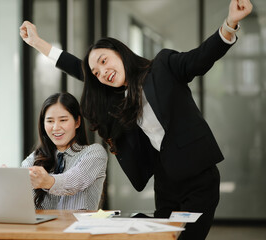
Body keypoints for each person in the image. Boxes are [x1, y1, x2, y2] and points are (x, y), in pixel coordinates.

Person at [19, 0, 252, 239]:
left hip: (199, 177)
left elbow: (200, 58)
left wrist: (230, 23)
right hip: (166, 182)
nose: (102, 72)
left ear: (120, 52)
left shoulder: (163, 67)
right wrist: (37, 43)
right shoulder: (119, 98)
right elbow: (77, 67)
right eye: (97, 73)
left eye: (104, 61)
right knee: (161, 237)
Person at [21, 92, 107, 211]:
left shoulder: (95, 153)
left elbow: (74, 181)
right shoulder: (36, 157)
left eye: (63, 120)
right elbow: (21, 184)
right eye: (50, 121)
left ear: (77, 122)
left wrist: (47, 181)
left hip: (79, 228)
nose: (56, 127)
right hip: (43, 229)